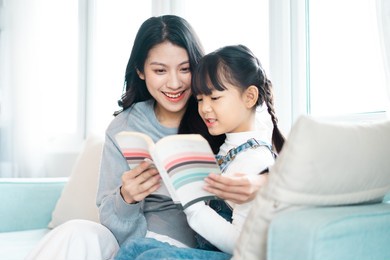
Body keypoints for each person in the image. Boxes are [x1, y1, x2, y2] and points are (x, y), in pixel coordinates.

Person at [26, 15, 268, 260]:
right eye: (160, 70)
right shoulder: (123, 127)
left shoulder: (217, 114)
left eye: (185, 69)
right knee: (74, 233)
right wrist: (126, 198)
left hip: (189, 248)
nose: (174, 83)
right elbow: (109, 219)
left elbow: (270, 157)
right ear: (141, 71)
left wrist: (259, 182)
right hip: (130, 243)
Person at [114, 44, 285, 259]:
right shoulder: (226, 147)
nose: (204, 108)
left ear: (249, 97)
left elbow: (242, 245)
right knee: (135, 248)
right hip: (210, 251)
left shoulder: (254, 160)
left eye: (214, 98)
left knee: (154, 257)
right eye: (200, 99)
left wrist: (193, 206)